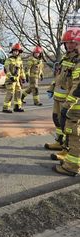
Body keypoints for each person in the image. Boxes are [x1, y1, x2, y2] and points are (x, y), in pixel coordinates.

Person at [44, 30, 78, 151]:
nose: (69, 45)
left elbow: (76, 84)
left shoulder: (77, 61)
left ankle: (66, 148)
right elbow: (58, 77)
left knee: (66, 124)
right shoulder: (64, 59)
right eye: (67, 43)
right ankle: (59, 141)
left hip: (68, 99)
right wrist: (51, 88)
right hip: (58, 98)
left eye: (72, 43)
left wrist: (70, 102)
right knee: (57, 120)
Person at [53, 27, 80, 177]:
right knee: (70, 133)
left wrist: (67, 105)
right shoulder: (69, 59)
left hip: (74, 105)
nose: (72, 46)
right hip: (70, 102)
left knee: (74, 135)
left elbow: (77, 87)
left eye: (75, 44)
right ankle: (70, 160)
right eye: (69, 43)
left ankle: (72, 166)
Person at [2, 43, 26, 113]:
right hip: (10, 80)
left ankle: (17, 107)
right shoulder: (8, 60)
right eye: (15, 51)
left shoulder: (19, 60)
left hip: (17, 80)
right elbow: (6, 69)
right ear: (12, 51)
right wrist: (11, 77)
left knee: (18, 92)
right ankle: (5, 108)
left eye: (17, 51)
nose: (16, 52)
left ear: (19, 52)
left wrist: (23, 77)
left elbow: (21, 70)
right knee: (10, 93)